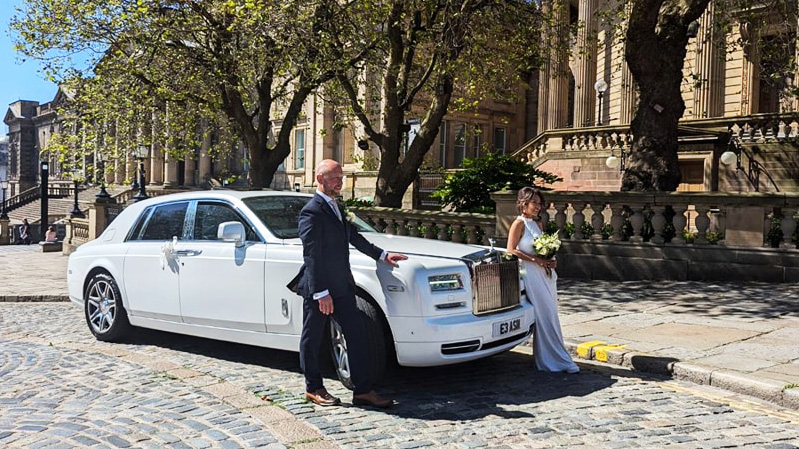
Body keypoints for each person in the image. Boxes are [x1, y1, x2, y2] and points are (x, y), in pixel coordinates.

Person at [294, 159, 407, 408]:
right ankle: (313, 388)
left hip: (343, 285)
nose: (340, 181)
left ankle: (363, 390)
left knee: (357, 335)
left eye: (341, 177)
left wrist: (381, 255)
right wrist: (321, 292)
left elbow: (353, 236)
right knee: (311, 339)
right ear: (320, 179)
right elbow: (312, 255)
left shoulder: (337, 206)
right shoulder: (311, 211)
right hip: (320, 289)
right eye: (335, 177)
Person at [506, 187, 579, 374]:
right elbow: (511, 249)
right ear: (524, 204)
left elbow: (542, 247)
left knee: (551, 314)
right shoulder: (518, 223)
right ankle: (554, 360)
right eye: (535, 203)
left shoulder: (538, 224)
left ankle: (555, 357)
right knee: (544, 314)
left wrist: (549, 259)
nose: (539, 207)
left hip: (545, 274)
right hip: (530, 273)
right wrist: (536, 260)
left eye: (540, 203)